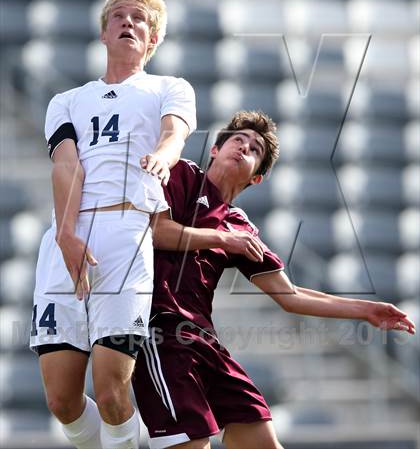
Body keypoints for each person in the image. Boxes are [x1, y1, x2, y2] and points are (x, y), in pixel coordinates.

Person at [132, 110, 416, 449]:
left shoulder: (239, 225)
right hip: (162, 332)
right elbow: (159, 232)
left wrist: (364, 310)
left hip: (205, 341)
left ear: (257, 179)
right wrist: (223, 240)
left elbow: (289, 295)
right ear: (214, 150)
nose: (243, 147)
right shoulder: (181, 175)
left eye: (254, 150)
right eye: (238, 140)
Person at [29, 0, 196, 449]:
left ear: (154, 38)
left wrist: (163, 154)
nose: (129, 23)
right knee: (62, 400)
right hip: (67, 235)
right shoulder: (66, 100)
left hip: (126, 234)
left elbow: (173, 134)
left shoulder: (170, 88)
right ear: (103, 32)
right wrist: (65, 235)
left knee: (111, 391)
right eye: (119, 16)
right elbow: (67, 164)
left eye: (140, 19)